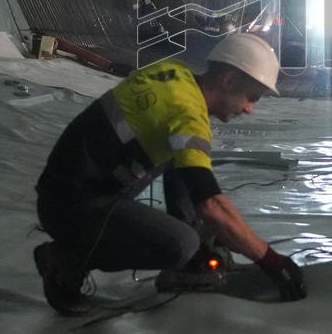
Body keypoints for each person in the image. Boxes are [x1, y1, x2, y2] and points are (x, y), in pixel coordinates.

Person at [33, 33, 306, 315]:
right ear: (228, 81)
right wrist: (271, 261)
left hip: (69, 188)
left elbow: (188, 170)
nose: (249, 109)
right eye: (252, 97)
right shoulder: (188, 115)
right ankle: (65, 260)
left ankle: (196, 255)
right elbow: (211, 204)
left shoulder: (175, 75)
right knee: (179, 245)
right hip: (71, 208)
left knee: (185, 156)